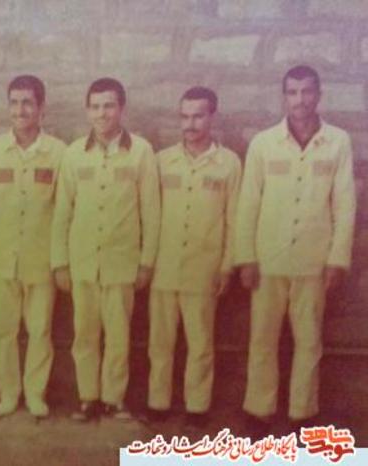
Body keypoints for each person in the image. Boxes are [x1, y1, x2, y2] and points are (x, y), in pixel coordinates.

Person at [235, 65, 356, 436]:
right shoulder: (263, 143)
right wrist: (245, 257)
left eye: (306, 92)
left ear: (318, 95)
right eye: (292, 92)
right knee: (262, 338)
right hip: (268, 259)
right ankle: (259, 409)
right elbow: (248, 203)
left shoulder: (337, 142)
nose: (300, 100)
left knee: (309, 340)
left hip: (313, 261)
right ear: (284, 96)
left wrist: (337, 259)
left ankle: (304, 413)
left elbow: (345, 204)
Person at [51, 77, 160, 421]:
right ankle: (88, 398)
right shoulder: (73, 154)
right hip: (83, 262)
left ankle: (114, 399)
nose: (102, 113)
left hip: (121, 262)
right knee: (84, 335)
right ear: (87, 111)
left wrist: (146, 262)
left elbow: (151, 211)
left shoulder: (141, 152)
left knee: (118, 336)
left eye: (109, 105)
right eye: (95, 106)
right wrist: (60, 263)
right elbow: (62, 211)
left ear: (121, 108)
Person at [145, 87, 242, 428]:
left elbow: (234, 220)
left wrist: (227, 266)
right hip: (164, 266)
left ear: (212, 117)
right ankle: (157, 402)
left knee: (200, 342)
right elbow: (148, 214)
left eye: (198, 116)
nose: (190, 123)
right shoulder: (161, 161)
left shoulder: (229, 164)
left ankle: (197, 406)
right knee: (160, 341)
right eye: (184, 116)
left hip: (204, 268)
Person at [0, 75, 66, 418]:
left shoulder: (58, 153)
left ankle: (35, 393)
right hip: (2, 258)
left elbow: (63, 210)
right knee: (3, 331)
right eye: (14, 103)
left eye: (27, 102)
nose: (20, 110)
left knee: (40, 330)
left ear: (41, 107)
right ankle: (8, 393)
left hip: (41, 259)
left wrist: (59, 261)